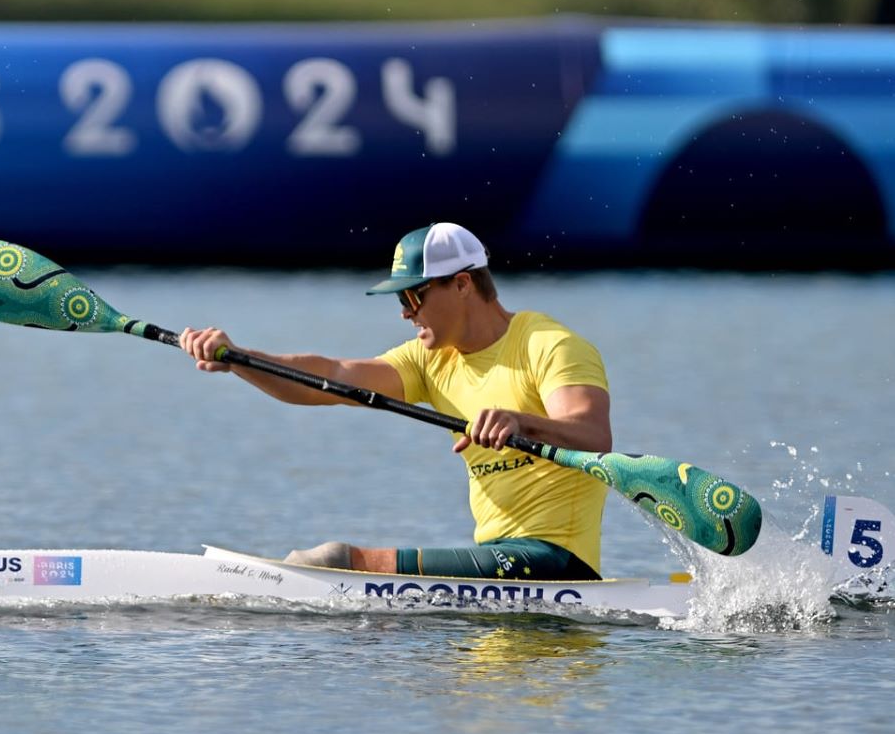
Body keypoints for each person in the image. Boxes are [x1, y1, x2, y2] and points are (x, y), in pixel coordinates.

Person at [178, 222, 612, 580]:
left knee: (332, 563)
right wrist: (240, 359)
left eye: (413, 296)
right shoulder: (431, 360)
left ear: (462, 284)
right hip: (500, 560)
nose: (406, 312)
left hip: (557, 562)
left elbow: (593, 435)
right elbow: (329, 378)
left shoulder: (549, 345)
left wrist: (521, 422)